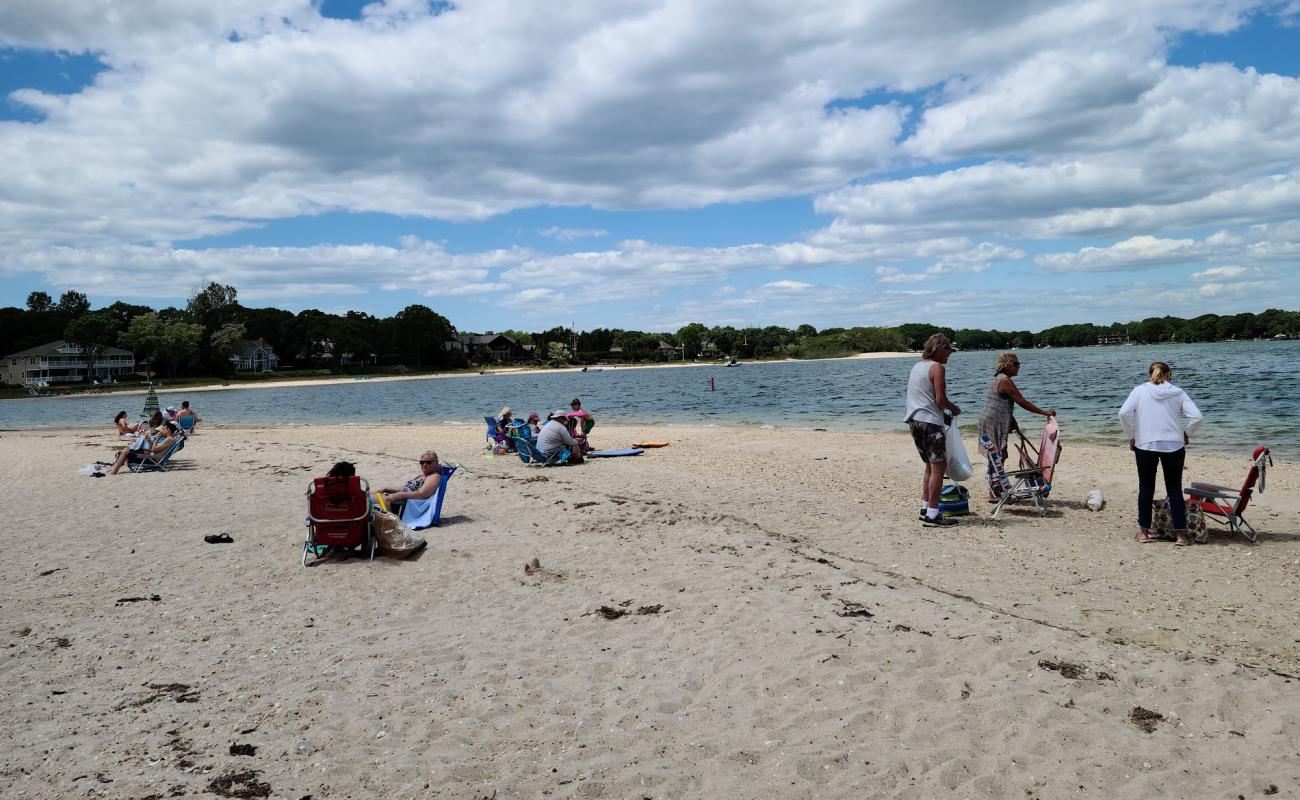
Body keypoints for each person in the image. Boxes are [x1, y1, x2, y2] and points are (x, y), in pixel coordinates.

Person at [1119, 361, 1203, 546]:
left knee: (1146, 487)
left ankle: (1143, 533)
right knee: (1174, 488)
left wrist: (1132, 435)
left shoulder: (1140, 391)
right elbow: (1197, 416)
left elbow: (1124, 413)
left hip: (1145, 443)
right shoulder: (1178, 392)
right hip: (1174, 444)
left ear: (1150, 375)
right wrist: (1186, 433)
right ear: (1169, 375)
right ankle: (1181, 536)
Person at [978, 353, 1056, 500]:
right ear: (1008, 365)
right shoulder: (1005, 381)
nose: (1019, 366)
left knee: (999, 455)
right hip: (994, 421)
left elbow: (1002, 402)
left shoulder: (999, 379)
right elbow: (1022, 402)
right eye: (1016, 364)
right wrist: (1043, 412)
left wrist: (1012, 421)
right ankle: (994, 493)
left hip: (993, 419)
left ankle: (996, 490)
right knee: (997, 456)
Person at [904, 333, 962, 528]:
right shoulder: (937, 368)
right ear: (939, 349)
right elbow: (940, 400)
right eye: (948, 351)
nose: (949, 355)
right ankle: (933, 516)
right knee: (939, 467)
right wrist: (954, 409)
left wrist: (943, 415)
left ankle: (926, 507)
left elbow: (923, 398)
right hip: (930, 423)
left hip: (915, 421)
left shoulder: (917, 367)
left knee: (930, 466)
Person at [378, 451, 443, 517]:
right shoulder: (422, 476)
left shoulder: (434, 476)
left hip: (403, 506)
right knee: (370, 495)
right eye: (422, 462)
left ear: (436, 463)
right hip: (398, 501)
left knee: (369, 500)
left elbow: (422, 494)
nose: (424, 464)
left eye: (428, 462)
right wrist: (386, 489)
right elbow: (407, 489)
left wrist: (399, 495)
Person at [108, 421, 181, 474]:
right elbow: (155, 450)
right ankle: (116, 467)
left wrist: (158, 438)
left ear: (168, 429)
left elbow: (154, 450)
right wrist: (149, 441)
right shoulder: (169, 439)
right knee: (126, 450)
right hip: (152, 457)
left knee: (125, 452)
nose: (162, 431)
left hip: (152, 460)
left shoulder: (169, 439)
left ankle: (113, 472)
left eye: (163, 429)